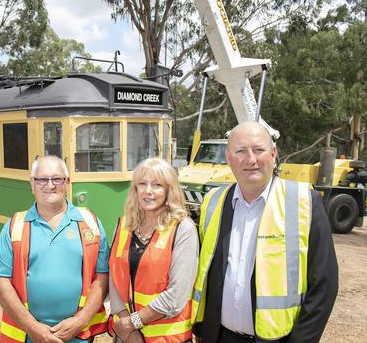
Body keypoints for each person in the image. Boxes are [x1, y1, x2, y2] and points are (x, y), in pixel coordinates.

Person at [191, 121, 339, 343]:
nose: (251, 159)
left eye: (258, 150)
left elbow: (324, 285)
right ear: (228, 158)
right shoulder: (213, 202)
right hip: (219, 336)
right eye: (240, 151)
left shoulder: (304, 202)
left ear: (273, 153)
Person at [0, 155, 109, 343]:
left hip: (78, 334)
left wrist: (81, 320)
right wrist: (33, 328)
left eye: (57, 179)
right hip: (28, 336)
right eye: (42, 179)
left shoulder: (89, 221)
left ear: (67, 182)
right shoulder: (15, 226)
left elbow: (102, 276)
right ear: (32, 183)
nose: (50, 185)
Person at [108, 157, 199, 342]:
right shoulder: (124, 225)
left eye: (157, 185)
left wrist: (132, 323)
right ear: (135, 189)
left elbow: (177, 295)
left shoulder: (183, 228)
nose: (148, 191)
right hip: (127, 336)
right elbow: (114, 276)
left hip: (166, 338)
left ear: (169, 191)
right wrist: (128, 329)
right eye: (142, 184)